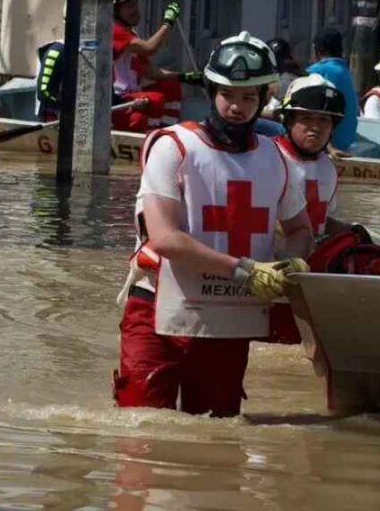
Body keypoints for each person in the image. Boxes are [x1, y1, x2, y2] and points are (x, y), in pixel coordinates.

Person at [113, 31, 314, 418]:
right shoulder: (173, 146)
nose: (236, 107)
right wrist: (244, 270)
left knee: (217, 436)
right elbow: (166, 238)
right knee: (140, 429)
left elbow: (301, 230)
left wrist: (292, 262)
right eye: (227, 95)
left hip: (229, 316)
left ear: (264, 99)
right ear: (211, 92)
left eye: (248, 97)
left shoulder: (278, 160)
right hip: (158, 304)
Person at [110, 0, 202, 132]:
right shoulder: (114, 31)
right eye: (129, 6)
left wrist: (185, 77)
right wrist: (168, 22)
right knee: (155, 100)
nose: (135, 9)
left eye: (135, 3)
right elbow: (149, 48)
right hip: (118, 99)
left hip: (133, 95)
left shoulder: (130, 33)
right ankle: (151, 137)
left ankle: (166, 131)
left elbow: (151, 72)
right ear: (115, 10)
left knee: (171, 86)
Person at [273, 74, 349, 237]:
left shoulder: (328, 168)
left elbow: (321, 221)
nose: (316, 127)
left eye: (323, 120)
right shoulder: (269, 158)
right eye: (306, 118)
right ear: (288, 120)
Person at [306, 29, 359, 157]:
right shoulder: (345, 71)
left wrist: (329, 147)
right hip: (347, 142)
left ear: (316, 50)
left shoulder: (317, 71)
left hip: (329, 144)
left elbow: (319, 109)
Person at [34, 6, 67, 121]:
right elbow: (44, 91)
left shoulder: (87, 52)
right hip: (52, 120)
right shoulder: (57, 51)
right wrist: (67, 106)